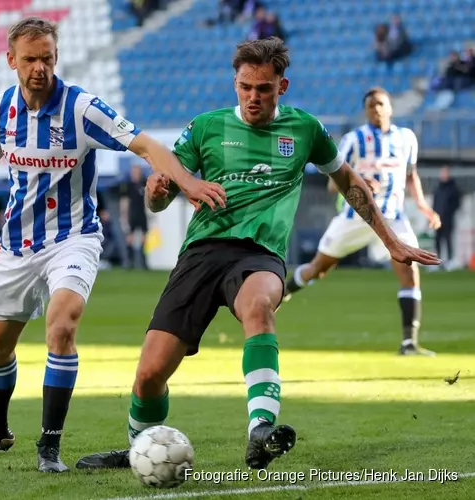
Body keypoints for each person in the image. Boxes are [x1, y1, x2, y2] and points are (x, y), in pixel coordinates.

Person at [75, 37, 439, 472]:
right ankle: (137, 448)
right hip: (203, 253)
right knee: (150, 373)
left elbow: (349, 181)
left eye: (263, 89)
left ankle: (261, 430)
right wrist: (156, 193)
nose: (253, 97)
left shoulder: (305, 129)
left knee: (261, 304)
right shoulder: (206, 127)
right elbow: (163, 194)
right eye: (245, 87)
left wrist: (391, 239)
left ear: (281, 87)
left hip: (261, 253)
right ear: (236, 83)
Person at [0, 16, 225, 473]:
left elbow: (144, 145)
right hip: (17, 245)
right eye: (30, 59)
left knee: (62, 327)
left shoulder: (82, 109)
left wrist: (187, 182)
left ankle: (49, 446)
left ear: (56, 57)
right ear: (11, 61)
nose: (39, 67)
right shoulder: (1, 107)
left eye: (46, 58)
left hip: (73, 238)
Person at [283, 87, 442, 356]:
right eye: (370, 106)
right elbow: (333, 184)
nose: (376, 109)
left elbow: (410, 175)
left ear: (390, 107)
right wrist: (357, 183)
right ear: (365, 110)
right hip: (354, 217)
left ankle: (409, 343)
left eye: (380, 104)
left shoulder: (407, 138)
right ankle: (284, 290)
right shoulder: (353, 140)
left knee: (409, 272)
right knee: (318, 269)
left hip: (394, 217)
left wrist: (424, 205)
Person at [433, 166, 461, 268]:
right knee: (437, 240)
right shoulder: (438, 188)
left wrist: (449, 213)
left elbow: (457, 204)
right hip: (437, 219)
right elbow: (435, 204)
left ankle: (450, 261)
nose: (443, 175)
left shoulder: (453, 189)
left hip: (448, 219)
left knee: (448, 240)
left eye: (445, 173)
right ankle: (437, 261)